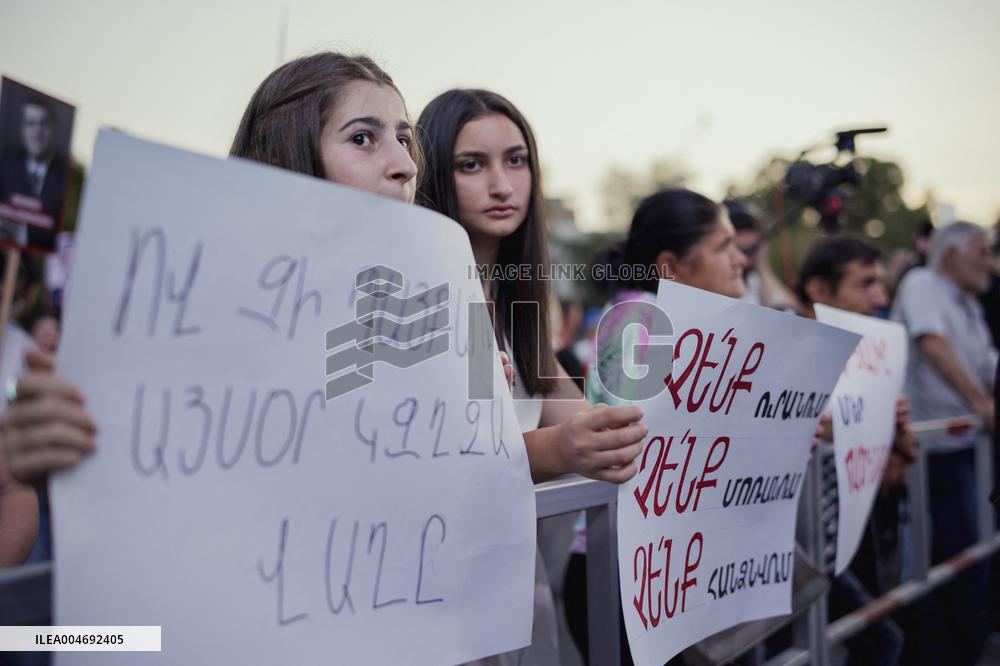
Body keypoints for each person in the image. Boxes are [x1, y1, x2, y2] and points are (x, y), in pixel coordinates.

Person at [416, 88, 646, 665]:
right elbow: (443, 456)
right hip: (434, 592)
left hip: (508, 584)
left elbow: (583, 421)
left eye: (516, 160)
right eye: (472, 165)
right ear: (434, 176)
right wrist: (558, 449)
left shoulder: (518, 300)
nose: (502, 184)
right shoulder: (421, 296)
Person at [797, 235, 915, 665]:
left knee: (876, 638)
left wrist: (893, 431)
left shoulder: (870, 357)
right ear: (818, 291)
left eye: (880, 284)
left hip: (845, 537)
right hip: (798, 550)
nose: (880, 298)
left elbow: (908, 450)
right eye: (864, 284)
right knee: (879, 640)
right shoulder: (789, 348)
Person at [891, 220, 997, 665]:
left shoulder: (970, 305)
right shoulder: (921, 283)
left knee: (969, 558)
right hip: (927, 457)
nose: (990, 265)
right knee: (943, 566)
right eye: (981, 253)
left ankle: (963, 645)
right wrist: (984, 406)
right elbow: (933, 343)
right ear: (951, 253)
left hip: (963, 451)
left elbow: (991, 363)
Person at [0, 96, 70, 250]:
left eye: (43, 124)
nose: (37, 132)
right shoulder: (6, 162)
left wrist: (22, 233)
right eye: (31, 123)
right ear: (22, 129)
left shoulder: (65, 174)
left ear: (53, 129)